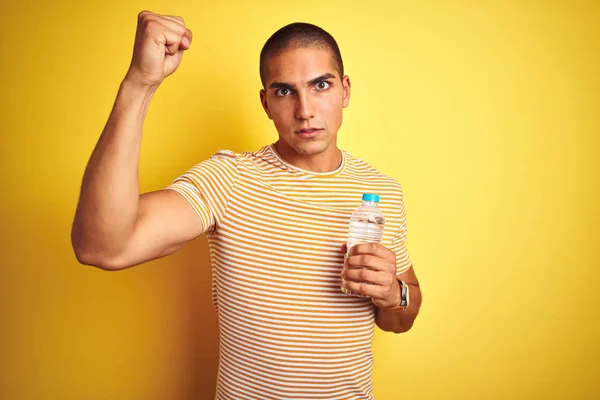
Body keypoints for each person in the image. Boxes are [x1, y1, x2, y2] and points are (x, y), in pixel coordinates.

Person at [71, 10, 422, 400]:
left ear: (346, 90)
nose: (305, 109)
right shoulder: (229, 179)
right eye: (285, 91)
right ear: (266, 102)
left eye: (321, 85)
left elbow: (400, 318)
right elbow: (101, 246)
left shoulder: (381, 190)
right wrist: (140, 82)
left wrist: (395, 294)